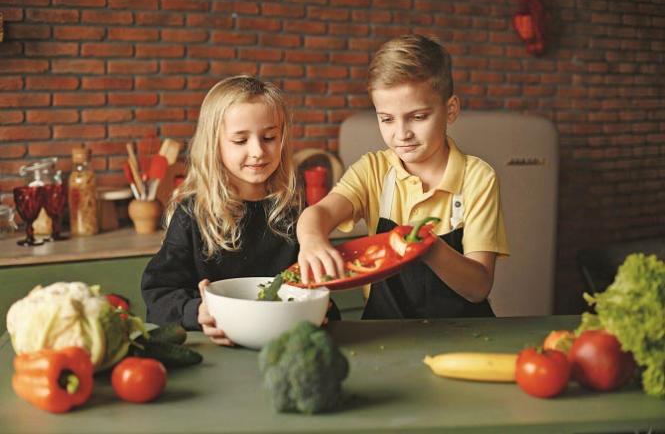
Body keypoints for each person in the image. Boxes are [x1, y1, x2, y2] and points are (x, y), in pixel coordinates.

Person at [296, 34, 510, 319]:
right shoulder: (373, 169)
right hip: (384, 330)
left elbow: (478, 287)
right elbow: (319, 212)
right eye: (386, 119)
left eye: (418, 117)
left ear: (450, 110)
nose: (401, 133)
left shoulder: (477, 178)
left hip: (464, 335)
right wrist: (311, 240)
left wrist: (426, 247)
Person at [141, 75, 339, 345]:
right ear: (215, 144)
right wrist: (196, 312)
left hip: (287, 346)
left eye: (269, 137)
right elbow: (158, 295)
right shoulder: (192, 215)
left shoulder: (294, 213)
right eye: (240, 140)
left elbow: (316, 290)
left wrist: (323, 309)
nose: (258, 151)